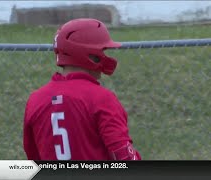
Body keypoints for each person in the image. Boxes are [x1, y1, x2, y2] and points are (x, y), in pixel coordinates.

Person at [23, 18, 141, 160]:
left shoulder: (35, 100)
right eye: (103, 50)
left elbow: (33, 157)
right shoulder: (101, 98)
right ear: (90, 54)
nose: (106, 56)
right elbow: (123, 155)